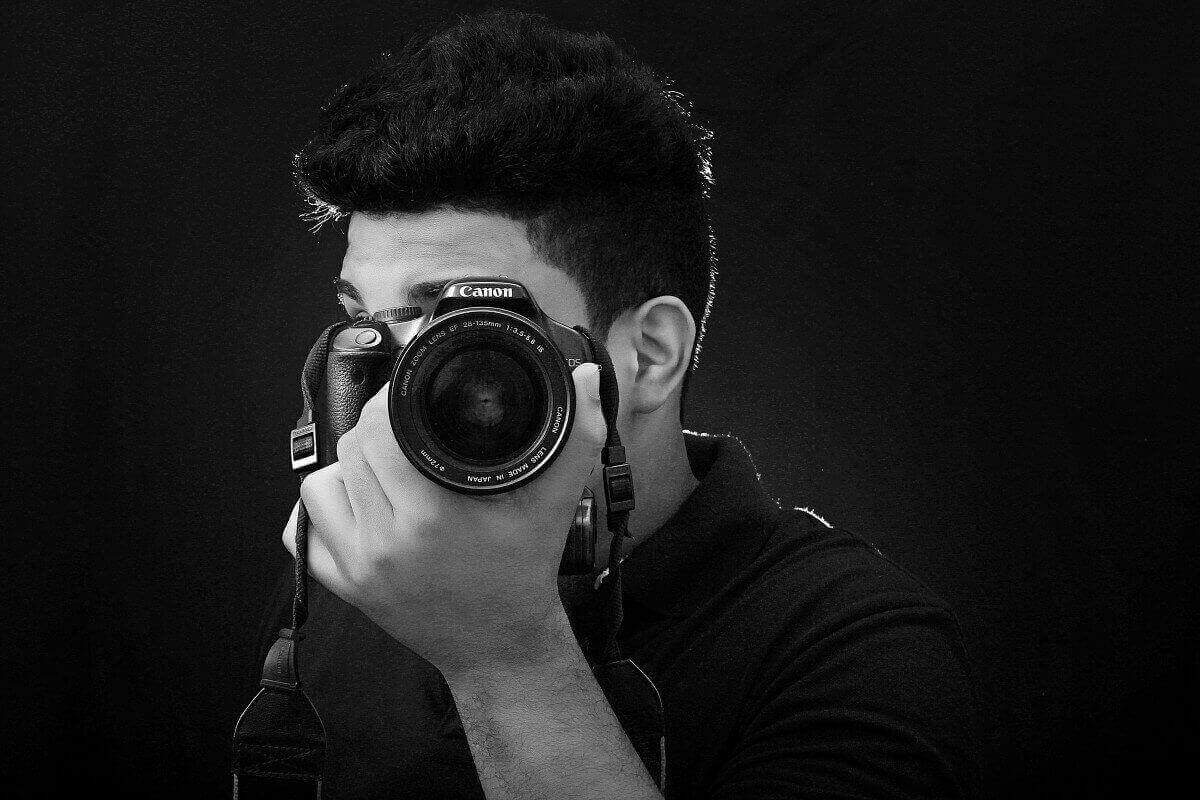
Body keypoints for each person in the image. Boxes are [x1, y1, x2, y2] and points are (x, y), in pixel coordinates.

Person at [257, 10, 978, 799]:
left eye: (461, 328)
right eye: (366, 325)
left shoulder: (851, 641)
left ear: (651, 354)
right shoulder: (351, 578)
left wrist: (503, 655)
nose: (393, 393)